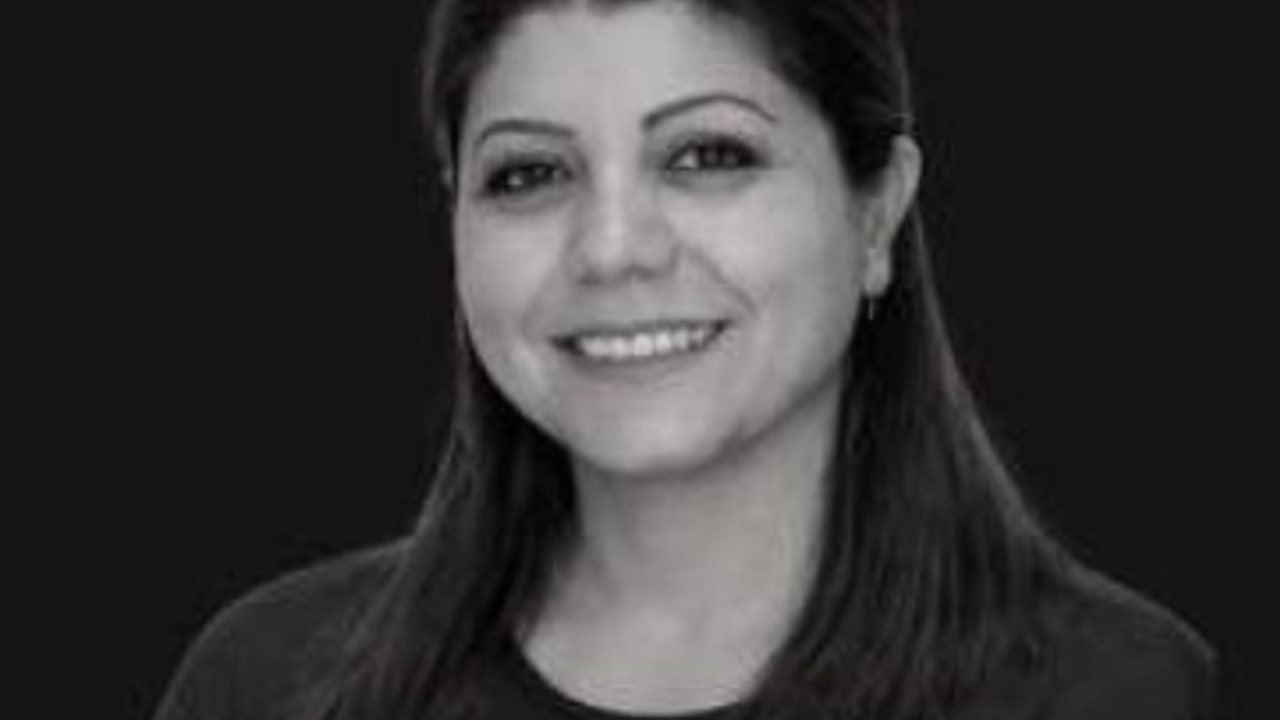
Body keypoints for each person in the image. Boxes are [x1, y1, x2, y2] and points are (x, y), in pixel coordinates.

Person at [154, 0, 1217, 718]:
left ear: (876, 213)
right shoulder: (272, 685)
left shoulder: (1120, 693)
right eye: (528, 174)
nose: (612, 248)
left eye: (708, 155)